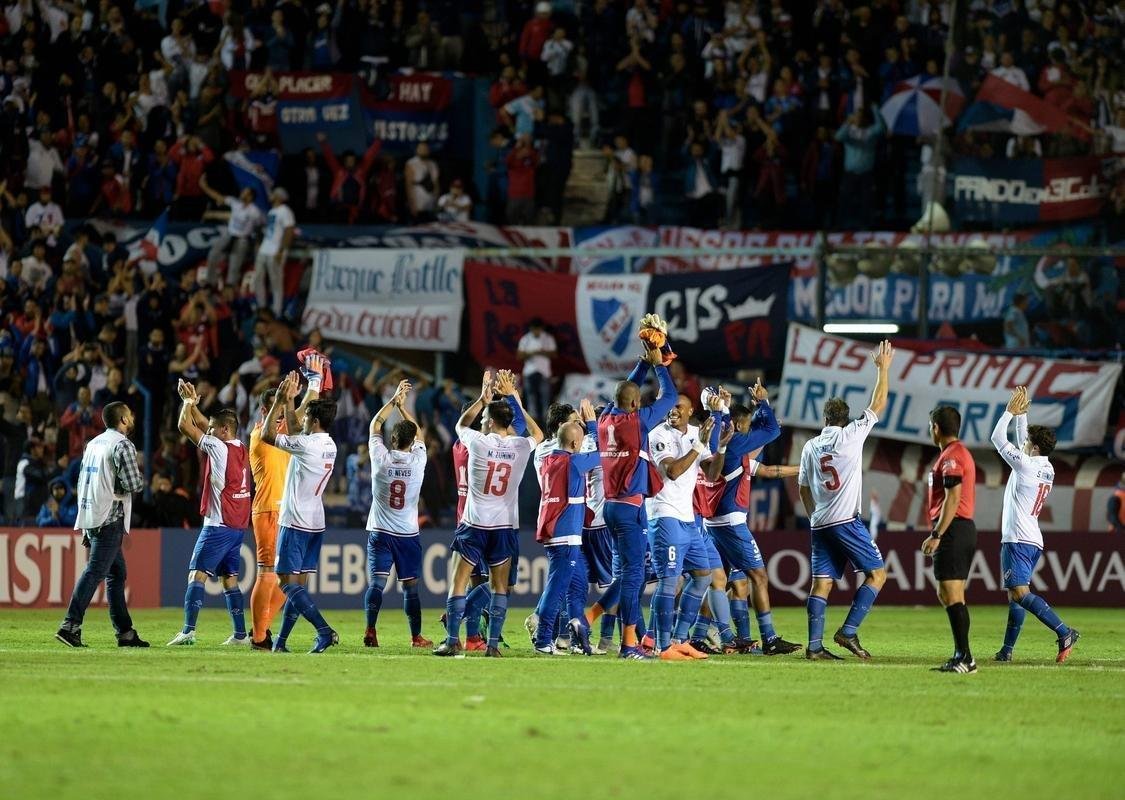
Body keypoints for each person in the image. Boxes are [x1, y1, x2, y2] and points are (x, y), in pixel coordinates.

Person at [797, 340, 895, 661]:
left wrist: (814, 515)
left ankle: (814, 648)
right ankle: (848, 631)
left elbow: (803, 489)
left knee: (821, 584)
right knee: (877, 575)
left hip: (820, 522)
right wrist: (883, 369)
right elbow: (879, 403)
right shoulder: (851, 434)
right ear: (844, 418)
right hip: (845, 521)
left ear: (824, 418)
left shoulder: (810, 446)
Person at [435, 370, 544, 657]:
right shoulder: (521, 447)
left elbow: (461, 423)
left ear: (492, 421)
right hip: (504, 526)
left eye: (485, 419)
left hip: (474, 523)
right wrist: (515, 397)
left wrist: (483, 400)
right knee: (499, 587)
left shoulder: (478, 442)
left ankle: (452, 640)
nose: (482, 422)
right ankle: (492, 646)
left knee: (458, 582)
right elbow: (539, 434)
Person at [702, 383, 801, 655]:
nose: (749, 434)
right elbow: (771, 431)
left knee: (726, 581)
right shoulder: (735, 443)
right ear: (736, 425)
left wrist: (802, 470)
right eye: (746, 428)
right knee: (758, 576)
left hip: (713, 522)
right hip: (732, 523)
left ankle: (722, 636)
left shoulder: (728, 450)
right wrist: (764, 403)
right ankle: (769, 638)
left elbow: (768, 470)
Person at [599, 331, 676, 660]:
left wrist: (643, 362)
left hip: (612, 507)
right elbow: (669, 397)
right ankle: (628, 644)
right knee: (633, 577)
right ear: (635, 404)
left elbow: (624, 393)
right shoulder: (638, 423)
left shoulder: (604, 420)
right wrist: (659, 367)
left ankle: (600, 624)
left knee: (629, 574)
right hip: (629, 509)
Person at [990, 386, 1079, 663]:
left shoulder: (1026, 466)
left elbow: (997, 438)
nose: (1023, 444)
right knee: (1015, 595)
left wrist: (1009, 412)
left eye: (1028, 442)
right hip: (1031, 539)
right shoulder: (1046, 467)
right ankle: (1006, 651)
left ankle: (1064, 631)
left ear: (1035, 447)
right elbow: (1022, 441)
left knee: (1020, 593)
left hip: (1018, 538)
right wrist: (1023, 415)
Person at [261, 360, 340, 654]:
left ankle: (324, 631)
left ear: (314, 422)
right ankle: (280, 643)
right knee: (299, 586)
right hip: (315, 520)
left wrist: (280, 403)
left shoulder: (306, 445)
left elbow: (270, 435)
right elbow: (297, 431)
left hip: (294, 521)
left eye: (306, 418)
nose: (301, 421)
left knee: (285, 582)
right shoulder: (328, 444)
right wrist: (302, 393)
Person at [56, 402, 149, 648]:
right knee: (96, 570)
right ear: (123, 420)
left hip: (93, 513)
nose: (132, 416)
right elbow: (133, 484)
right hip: (110, 516)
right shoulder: (123, 444)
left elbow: (86, 480)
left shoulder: (94, 444)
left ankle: (125, 633)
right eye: (129, 413)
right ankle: (70, 625)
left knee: (116, 574)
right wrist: (141, 477)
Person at [166, 384, 252, 646]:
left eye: (214, 429)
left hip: (217, 524)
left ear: (224, 431)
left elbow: (185, 426)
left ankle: (188, 630)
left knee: (197, 574)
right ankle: (240, 634)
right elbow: (205, 423)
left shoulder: (219, 447)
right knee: (230, 579)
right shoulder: (239, 445)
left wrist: (187, 402)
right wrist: (194, 405)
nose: (209, 431)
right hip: (237, 525)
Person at [646, 394, 723, 661]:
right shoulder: (658, 435)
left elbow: (712, 475)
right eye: (670, 407)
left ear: (691, 411)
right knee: (669, 581)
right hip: (664, 514)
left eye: (679, 406)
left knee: (703, 575)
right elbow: (673, 471)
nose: (673, 410)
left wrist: (720, 449)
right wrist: (699, 446)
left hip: (688, 519)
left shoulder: (694, 433)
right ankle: (662, 645)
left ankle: (680, 640)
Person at [247, 381, 320, 650]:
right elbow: (290, 417)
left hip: (285, 511)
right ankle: (258, 637)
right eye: (276, 410)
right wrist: (282, 400)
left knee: (285, 575)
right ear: (265, 409)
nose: (281, 417)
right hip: (267, 508)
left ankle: (262, 628)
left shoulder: (285, 431)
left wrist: (315, 382)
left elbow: (302, 412)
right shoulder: (258, 435)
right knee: (266, 573)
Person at [363, 380, 433, 649]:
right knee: (411, 587)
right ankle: (416, 637)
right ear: (411, 441)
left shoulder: (380, 458)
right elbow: (422, 435)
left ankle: (370, 630)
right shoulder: (418, 461)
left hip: (380, 530)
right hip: (407, 533)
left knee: (377, 584)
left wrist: (393, 401)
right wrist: (405, 409)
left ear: (393, 439)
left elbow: (374, 426)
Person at [533, 418, 601, 655]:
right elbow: (604, 453)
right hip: (566, 536)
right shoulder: (574, 462)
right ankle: (543, 640)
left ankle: (576, 641)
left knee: (578, 585)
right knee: (557, 589)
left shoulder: (548, 459)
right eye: (580, 441)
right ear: (574, 442)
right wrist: (593, 425)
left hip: (558, 533)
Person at [920, 406, 979, 673]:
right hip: (958, 528)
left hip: (953, 529)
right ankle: (962, 655)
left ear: (935, 428)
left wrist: (937, 534)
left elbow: (953, 498)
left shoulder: (952, 456)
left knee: (951, 594)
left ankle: (965, 657)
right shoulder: (955, 453)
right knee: (948, 594)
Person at [201, 182, 263, 289]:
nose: (242, 193)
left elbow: (260, 225)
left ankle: (230, 286)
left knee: (235, 263)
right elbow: (218, 197)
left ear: (250, 196)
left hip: (242, 239)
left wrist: (256, 239)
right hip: (229, 234)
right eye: (243, 191)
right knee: (212, 254)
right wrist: (205, 186)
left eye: (245, 192)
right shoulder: (235, 203)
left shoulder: (255, 211)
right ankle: (210, 282)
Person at [253, 188, 295, 317]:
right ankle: (262, 306)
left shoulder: (285, 211)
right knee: (257, 278)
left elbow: (289, 230)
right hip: (265, 249)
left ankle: (276, 311)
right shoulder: (272, 211)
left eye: (274, 194)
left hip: (276, 250)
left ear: (279, 197)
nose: (270, 195)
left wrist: (282, 250)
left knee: (275, 282)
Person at [516, 318, 557, 423]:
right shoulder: (526, 339)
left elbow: (554, 354)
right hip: (530, 372)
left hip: (544, 372)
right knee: (531, 399)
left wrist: (542, 352)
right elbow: (519, 356)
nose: (536, 332)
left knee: (545, 398)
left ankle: (547, 422)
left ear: (541, 328)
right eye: (534, 329)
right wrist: (532, 353)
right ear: (531, 329)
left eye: (538, 329)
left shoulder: (548, 338)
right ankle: (533, 422)